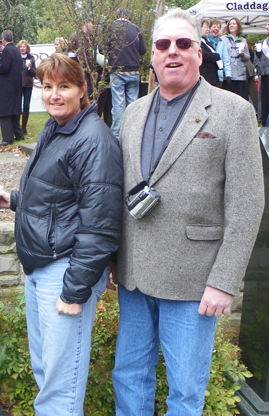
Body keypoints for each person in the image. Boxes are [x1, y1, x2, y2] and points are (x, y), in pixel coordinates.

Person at [112, 9, 264, 415]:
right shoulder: (133, 113)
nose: (172, 52)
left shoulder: (234, 112)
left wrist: (224, 281)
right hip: (135, 277)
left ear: (199, 51)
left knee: (184, 391)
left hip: (195, 283)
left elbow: (248, 203)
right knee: (128, 377)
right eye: (163, 45)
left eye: (183, 44)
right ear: (153, 56)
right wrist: (113, 260)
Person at [0, 53, 123, 415]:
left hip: (65, 272)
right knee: (47, 375)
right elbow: (58, 197)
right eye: (47, 87)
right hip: (41, 267)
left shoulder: (93, 141)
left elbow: (100, 226)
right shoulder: (57, 128)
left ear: (82, 90)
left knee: (60, 388)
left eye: (64, 86)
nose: (54, 95)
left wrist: (74, 291)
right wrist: (13, 200)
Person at [106, 8, 147, 139]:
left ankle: (117, 134)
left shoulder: (111, 28)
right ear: (128, 17)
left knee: (117, 103)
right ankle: (132, 133)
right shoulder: (136, 29)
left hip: (117, 70)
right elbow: (143, 50)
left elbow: (102, 48)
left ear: (117, 16)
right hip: (134, 70)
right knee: (133, 104)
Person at [0, 30, 24, 146]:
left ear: (3, 40)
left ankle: (7, 138)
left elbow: (4, 67)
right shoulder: (16, 50)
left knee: (5, 112)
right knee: (14, 112)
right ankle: (19, 135)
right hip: (16, 85)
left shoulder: (7, 50)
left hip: (7, 86)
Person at [221, 17, 249, 99]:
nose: (231, 25)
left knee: (241, 99)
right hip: (228, 75)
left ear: (238, 26)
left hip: (240, 74)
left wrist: (243, 54)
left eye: (234, 24)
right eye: (230, 24)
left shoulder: (243, 40)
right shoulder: (222, 39)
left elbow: (248, 58)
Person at [17, 39, 37, 134]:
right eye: (21, 47)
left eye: (24, 47)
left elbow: (35, 74)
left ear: (27, 48)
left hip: (28, 85)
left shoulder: (31, 58)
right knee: (17, 106)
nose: (22, 48)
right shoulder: (16, 57)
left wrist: (30, 68)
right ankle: (16, 127)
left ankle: (23, 128)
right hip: (17, 84)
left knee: (26, 105)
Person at [207, 19, 232, 85]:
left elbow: (225, 59)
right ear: (209, 29)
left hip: (219, 75)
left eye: (218, 27)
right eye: (214, 27)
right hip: (207, 74)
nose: (216, 29)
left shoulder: (221, 42)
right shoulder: (205, 41)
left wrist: (228, 74)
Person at [254, 20, 269, 125]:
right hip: (264, 75)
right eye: (267, 24)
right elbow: (257, 59)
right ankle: (264, 122)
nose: (267, 26)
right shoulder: (262, 43)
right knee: (264, 100)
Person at [199, 19, 221, 86]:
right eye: (206, 27)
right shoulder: (197, 41)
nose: (208, 30)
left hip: (213, 76)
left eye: (208, 27)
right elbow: (203, 54)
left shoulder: (206, 41)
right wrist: (216, 56)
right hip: (205, 77)